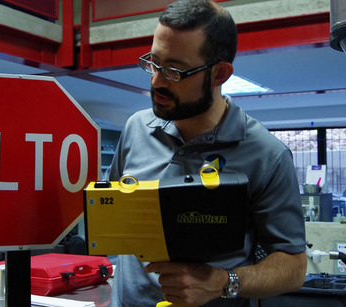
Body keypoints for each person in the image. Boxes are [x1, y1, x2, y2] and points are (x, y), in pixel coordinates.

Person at [104, 0, 307, 306]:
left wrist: (222, 282)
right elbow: (113, 217)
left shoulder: (267, 154)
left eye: (174, 70)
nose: (157, 81)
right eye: (153, 63)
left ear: (219, 74)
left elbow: (294, 266)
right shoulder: (136, 129)